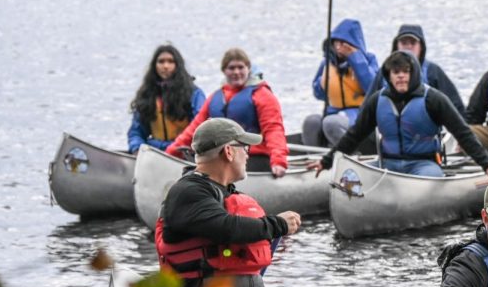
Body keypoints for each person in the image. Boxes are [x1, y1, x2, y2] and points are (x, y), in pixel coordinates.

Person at [154, 118, 302, 287]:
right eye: (244, 146)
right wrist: (277, 224)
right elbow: (226, 227)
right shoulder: (187, 192)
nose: (249, 153)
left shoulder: (224, 192)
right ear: (228, 151)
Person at [314, 51, 488, 179]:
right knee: (349, 178)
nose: (401, 76)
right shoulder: (377, 100)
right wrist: (327, 161)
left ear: (414, 74)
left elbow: (463, 133)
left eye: (406, 72)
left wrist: (486, 165)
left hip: (423, 165)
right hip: (387, 164)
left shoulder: (434, 99)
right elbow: (354, 136)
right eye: (396, 72)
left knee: (427, 177)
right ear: (389, 76)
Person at [167, 48, 290, 177]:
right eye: (231, 68)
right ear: (224, 70)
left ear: (248, 68)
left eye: (241, 67)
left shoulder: (262, 95)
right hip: (223, 158)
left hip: (253, 157)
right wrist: (169, 153)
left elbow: (274, 129)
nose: (236, 72)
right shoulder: (215, 97)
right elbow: (194, 129)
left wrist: (278, 161)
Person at [302, 18, 379, 147]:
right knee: (311, 122)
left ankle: (350, 154)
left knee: (331, 123)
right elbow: (318, 94)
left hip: (358, 116)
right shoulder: (327, 64)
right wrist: (322, 84)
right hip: (333, 112)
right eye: (336, 43)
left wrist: (356, 59)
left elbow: (372, 88)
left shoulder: (368, 60)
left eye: (344, 44)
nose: (339, 48)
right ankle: (315, 158)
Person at [128, 44, 206, 154]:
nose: (165, 66)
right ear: (154, 66)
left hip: (183, 152)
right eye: (161, 61)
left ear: (178, 65)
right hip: (154, 152)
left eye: (170, 61)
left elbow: (201, 127)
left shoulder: (194, 94)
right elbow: (136, 131)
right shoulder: (146, 95)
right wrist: (136, 149)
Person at [377, 23, 467, 115]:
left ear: (421, 47)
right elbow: (369, 106)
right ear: (396, 46)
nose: (408, 47)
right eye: (404, 43)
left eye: (413, 43)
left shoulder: (433, 71)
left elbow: (457, 107)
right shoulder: (384, 71)